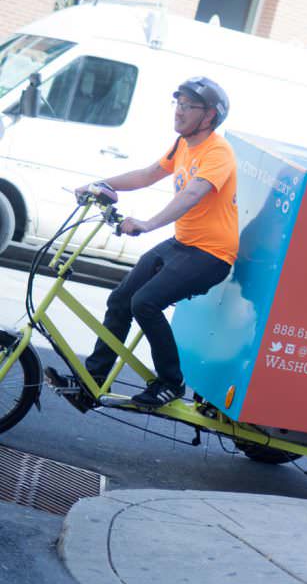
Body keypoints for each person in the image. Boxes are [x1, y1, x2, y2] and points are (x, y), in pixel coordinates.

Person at [76, 77, 238, 407]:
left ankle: (171, 382)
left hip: (211, 255)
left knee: (145, 302)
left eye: (187, 106)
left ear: (208, 116)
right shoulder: (182, 145)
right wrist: (100, 184)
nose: (178, 111)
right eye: (177, 103)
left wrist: (148, 224)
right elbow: (148, 174)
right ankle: (92, 380)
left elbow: (193, 193)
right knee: (121, 300)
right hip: (183, 244)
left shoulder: (218, 152)